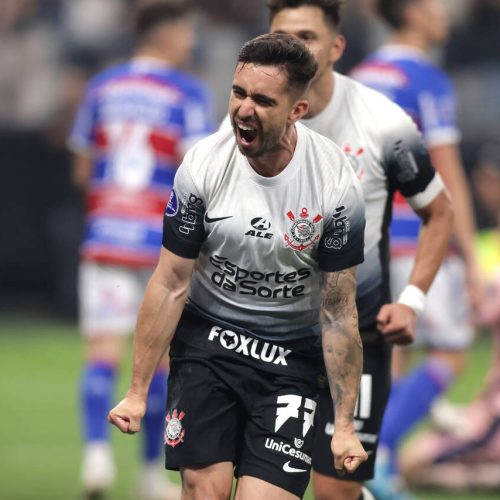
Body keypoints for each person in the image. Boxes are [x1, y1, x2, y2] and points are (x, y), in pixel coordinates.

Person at [108, 32, 368, 500]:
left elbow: (337, 310)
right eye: (238, 92)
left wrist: (344, 423)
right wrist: (137, 389)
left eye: (263, 100)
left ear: (296, 111)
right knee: (203, 490)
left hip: (290, 362)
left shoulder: (335, 184)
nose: (244, 109)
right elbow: (170, 282)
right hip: (209, 346)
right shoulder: (203, 165)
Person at [264, 1, 453, 499]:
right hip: (270, 337)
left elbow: (441, 210)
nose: (293, 49)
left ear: (336, 46)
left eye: (306, 35)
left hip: (356, 336)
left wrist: (412, 299)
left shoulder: (382, 120)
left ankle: (371, 476)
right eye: (282, 36)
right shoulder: (248, 120)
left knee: (334, 492)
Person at [68, 2, 214, 498]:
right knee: (162, 362)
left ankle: (95, 458)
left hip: (107, 237)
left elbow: (82, 170)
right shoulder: (187, 92)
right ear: (165, 34)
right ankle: (151, 474)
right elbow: (196, 173)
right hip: (161, 247)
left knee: (102, 351)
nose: (190, 41)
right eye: (185, 32)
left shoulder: (102, 87)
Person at [350, 0, 482, 496]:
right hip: (417, 235)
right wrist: (470, 260)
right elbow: (446, 177)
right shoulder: (426, 79)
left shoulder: (360, 76)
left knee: (387, 357)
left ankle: (362, 461)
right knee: (449, 353)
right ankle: (378, 457)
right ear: (408, 14)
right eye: (433, 6)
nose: (443, 14)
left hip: (366, 240)